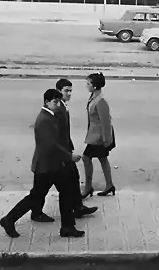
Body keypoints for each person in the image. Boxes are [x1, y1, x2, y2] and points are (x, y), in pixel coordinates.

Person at [0, 89, 84, 239]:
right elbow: (50, 146)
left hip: (54, 165)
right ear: (46, 102)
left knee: (66, 193)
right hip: (46, 167)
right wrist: (69, 156)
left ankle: (68, 227)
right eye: (54, 102)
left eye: (59, 101)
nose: (57, 104)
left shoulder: (51, 115)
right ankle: (9, 219)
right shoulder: (44, 119)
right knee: (36, 197)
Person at [55, 78, 98, 217]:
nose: (69, 94)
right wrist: (66, 153)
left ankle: (78, 207)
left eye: (70, 91)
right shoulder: (58, 107)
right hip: (60, 152)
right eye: (66, 91)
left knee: (73, 177)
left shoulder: (63, 105)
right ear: (58, 91)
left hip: (65, 148)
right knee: (44, 186)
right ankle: (74, 211)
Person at [81, 72, 116, 198]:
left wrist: (107, 140)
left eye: (88, 83)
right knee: (102, 159)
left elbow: (106, 122)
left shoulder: (100, 101)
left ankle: (88, 187)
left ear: (95, 86)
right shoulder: (94, 97)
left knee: (86, 158)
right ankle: (109, 185)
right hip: (95, 135)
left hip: (99, 138)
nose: (87, 85)